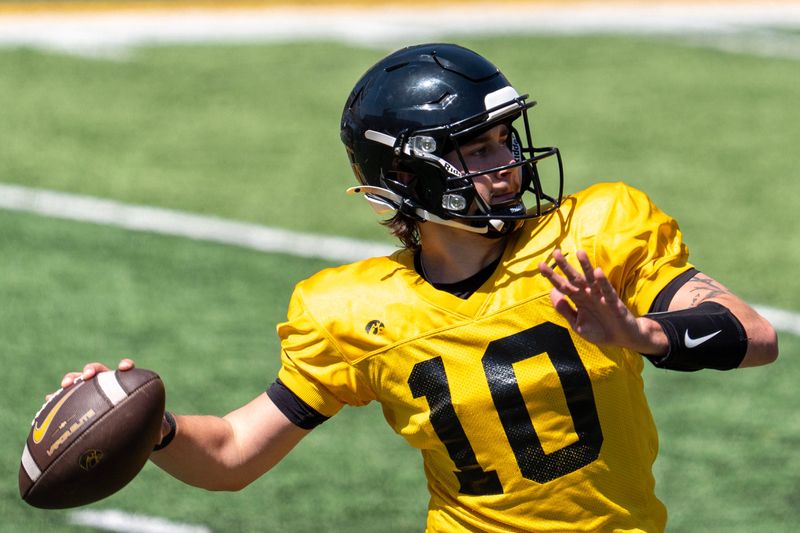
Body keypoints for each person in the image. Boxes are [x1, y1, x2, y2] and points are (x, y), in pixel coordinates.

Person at [59, 43, 778, 532]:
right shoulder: (353, 310)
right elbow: (234, 454)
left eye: (505, 139)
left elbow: (754, 334)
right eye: (477, 148)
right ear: (408, 177)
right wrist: (152, 427)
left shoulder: (598, 229)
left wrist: (644, 333)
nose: (509, 163)